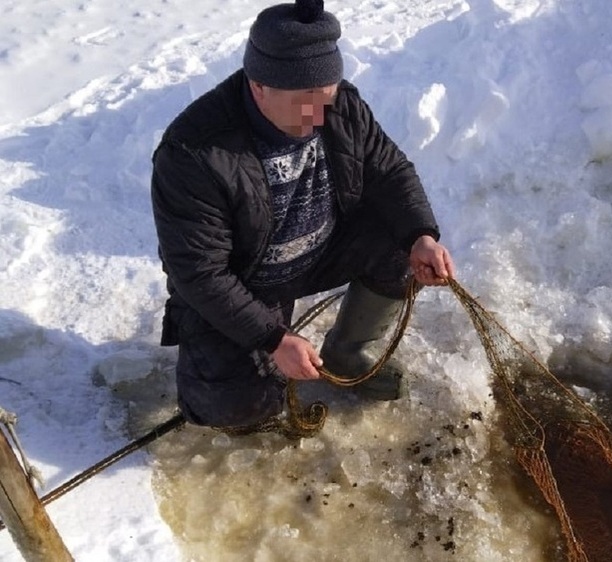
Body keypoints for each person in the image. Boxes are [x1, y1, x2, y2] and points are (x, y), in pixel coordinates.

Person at [150, 0, 455, 432]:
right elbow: (200, 273)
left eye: (326, 99)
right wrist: (273, 338)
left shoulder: (339, 105)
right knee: (234, 407)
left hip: (320, 250)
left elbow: (389, 171)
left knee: (399, 241)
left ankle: (347, 354)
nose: (318, 116)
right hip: (247, 282)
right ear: (259, 86)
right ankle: (250, 386)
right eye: (304, 103)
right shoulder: (194, 152)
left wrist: (421, 234)